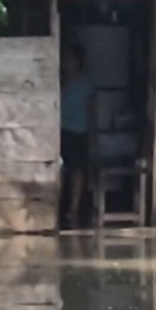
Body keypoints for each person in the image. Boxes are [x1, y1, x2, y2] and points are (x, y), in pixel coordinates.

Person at [59, 42, 97, 229]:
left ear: (78, 61)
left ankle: (73, 208)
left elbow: (93, 112)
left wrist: (93, 135)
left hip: (79, 131)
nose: (66, 62)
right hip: (60, 130)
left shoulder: (86, 84)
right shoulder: (59, 80)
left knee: (77, 170)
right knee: (61, 168)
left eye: (69, 58)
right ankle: (60, 205)